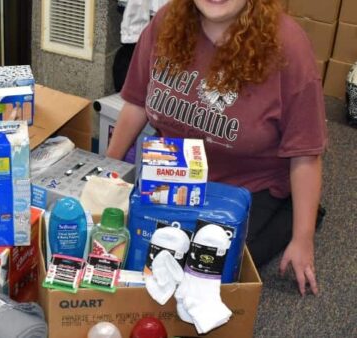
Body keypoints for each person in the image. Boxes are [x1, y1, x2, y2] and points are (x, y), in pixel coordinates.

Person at [106, 0, 326, 296]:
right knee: (129, 249)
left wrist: (303, 239)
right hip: (173, 174)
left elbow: (305, 152)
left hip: (246, 186)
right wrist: (108, 172)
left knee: (198, 274)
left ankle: (295, 214)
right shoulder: (167, 20)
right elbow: (135, 102)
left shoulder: (288, 47)